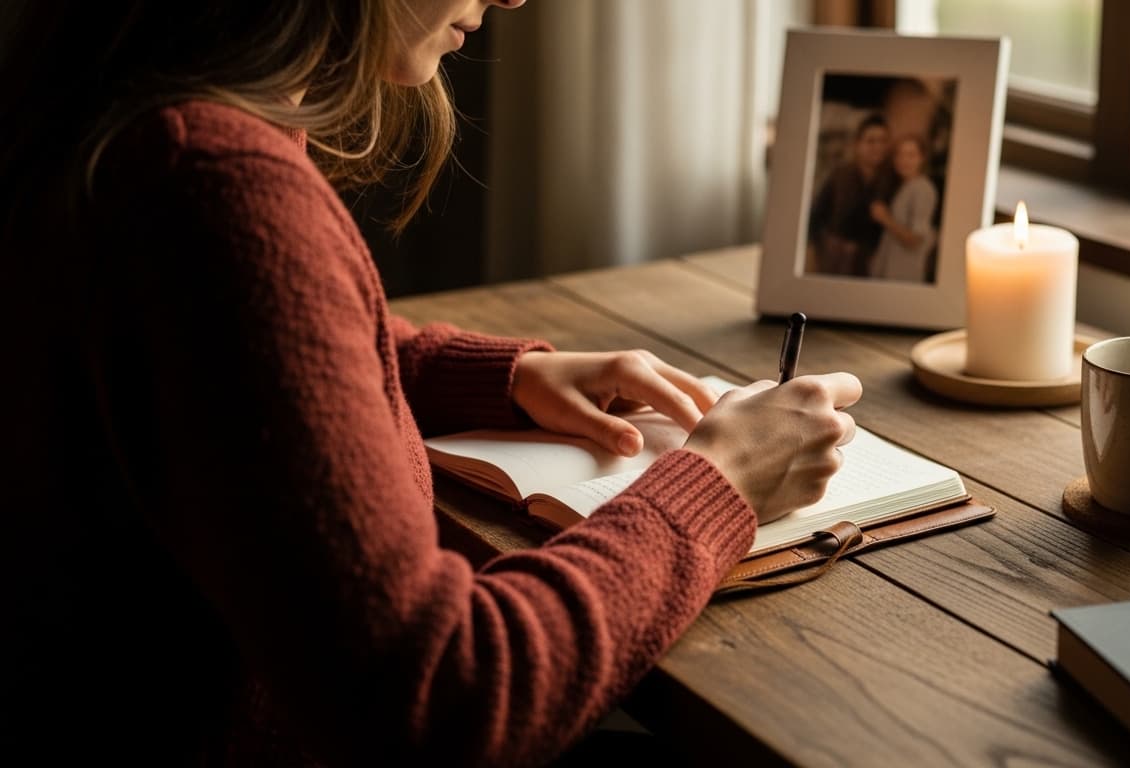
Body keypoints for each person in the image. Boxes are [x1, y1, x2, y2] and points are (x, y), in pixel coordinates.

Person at [0, 2, 863, 765]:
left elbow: (237, 369)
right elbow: (441, 703)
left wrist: (501, 376)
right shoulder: (213, 190)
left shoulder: (139, 117)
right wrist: (717, 485)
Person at [806, 113, 896, 277]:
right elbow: (816, 215)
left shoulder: (892, 180)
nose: (877, 147)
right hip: (834, 257)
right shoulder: (839, 175)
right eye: (871, 141)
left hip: (871, 263)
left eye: (882, 141)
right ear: (858, 144)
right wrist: (812, 253)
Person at [868, 135, 939, 283]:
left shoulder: (922, 189)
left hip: (904, 276)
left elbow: (916, 239)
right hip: (890, 275)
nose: (904, 161)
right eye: (899, 155)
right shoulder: (905, 186)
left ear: (922, 158)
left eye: (911, 155)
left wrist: (884, 218)